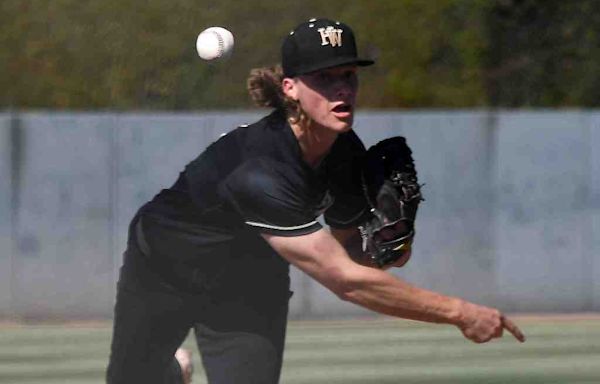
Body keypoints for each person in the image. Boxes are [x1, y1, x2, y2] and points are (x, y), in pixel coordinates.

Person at [106, 17, 525, 384]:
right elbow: (345, 281)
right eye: (324, 78)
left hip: (249, 286)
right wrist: (460, 312)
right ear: (290, 88)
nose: (341, 88)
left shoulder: (343, 150)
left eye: (348, 75)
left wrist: (394, 240)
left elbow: (356, 261)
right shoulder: (259, 171)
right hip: (165, 268)